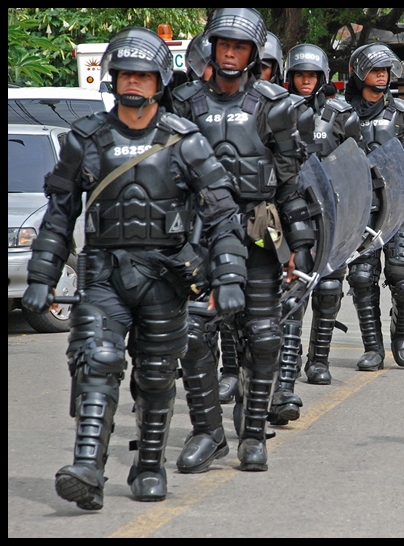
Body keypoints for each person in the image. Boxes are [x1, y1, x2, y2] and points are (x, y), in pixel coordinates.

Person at [22, 27, 246, 509]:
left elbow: (223, 215)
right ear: (113, 78)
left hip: (165, 278)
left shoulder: (186, 141)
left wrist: (229, 275)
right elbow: (59, 215)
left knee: (156, 376)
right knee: (95, 361)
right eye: (125, 74)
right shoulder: (86, 140)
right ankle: (87, 467)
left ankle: (149, 464)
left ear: (159, 81)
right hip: (104, 275)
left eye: (143, 76)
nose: (133, 82)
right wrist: (42, 276)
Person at [172, 8, 314, 472]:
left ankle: (253, 435)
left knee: (264, 334)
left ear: (253, 54)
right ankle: (208, 432)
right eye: (224, 45)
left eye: (240, 47)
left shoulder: (275, 106)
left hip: (260, 225)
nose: (230, 53)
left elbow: (290, 184)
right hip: (201, 230)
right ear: (211, 48)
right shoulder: (184, 104)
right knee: (192, 332)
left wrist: (300, 245)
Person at [344, 42, 404, 371]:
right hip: (360, 211)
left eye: (386, 70)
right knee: (361, 279)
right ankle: (372, 348)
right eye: (375, 70)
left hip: (400, 208)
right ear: (360, 73)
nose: (382, 76)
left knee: (403, 278)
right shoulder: (342, 114)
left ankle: (401, 332)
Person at [282, 43, 361, 390]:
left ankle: (319, 361)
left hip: (331, 214)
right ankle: (288, 360)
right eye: (300, 74)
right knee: (294, 286)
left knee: (329, 289)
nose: (305, 80)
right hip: (293, 211)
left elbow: (355, 167)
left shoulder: (341, 116)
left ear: (322, 78)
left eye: (312, 75)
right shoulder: (278, 112)